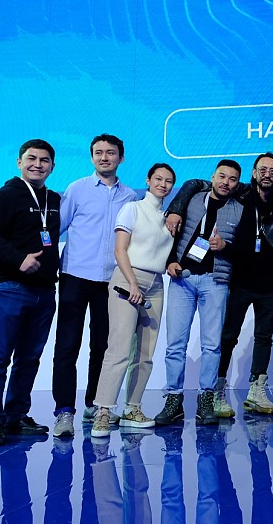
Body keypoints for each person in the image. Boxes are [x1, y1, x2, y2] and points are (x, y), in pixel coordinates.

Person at [0, 139, 61, 446]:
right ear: (19, 162)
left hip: (45, 291)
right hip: (9, 287)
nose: (37, 164)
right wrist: (18, 259)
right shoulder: (5, 196)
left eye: (44, 160)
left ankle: (16, 416)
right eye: (31, 158)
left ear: (52, 166)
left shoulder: (55, 199)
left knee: (29, 358)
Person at [51, 134, 136, 437]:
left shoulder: (131, 197)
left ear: (120, 158)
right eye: (98, 153)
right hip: (74, 276)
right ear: (91, 157)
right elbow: (56, 229)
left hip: (111, 281)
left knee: (102, 347)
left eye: (110, 153)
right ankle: (64, 411)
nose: (104, 158)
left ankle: (94, 405)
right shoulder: (77, 189)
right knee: (67, 346)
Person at [90, 164, 176, 438]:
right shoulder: (132, 208)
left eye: (169, 181)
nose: (163, 184)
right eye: (158, 179)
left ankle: (133, 408)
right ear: (148, 180)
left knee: (146, 353)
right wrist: (132, 283)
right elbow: (120, 250)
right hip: (128, 279)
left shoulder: (168, 218)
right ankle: (103, 412)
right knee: (119, 349)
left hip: (156, 283)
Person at [155, 160, 243, 426]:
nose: (226, 182)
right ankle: (173, 399)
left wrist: (226, 246)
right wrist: (171, 260)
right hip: (182, 278)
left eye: (232, 179)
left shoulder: (240, 209)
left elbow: (245, 250)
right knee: (175, 344)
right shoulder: (193, 199)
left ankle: (206, 399)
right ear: (212, 177)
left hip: (216, 281)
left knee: (212, 345)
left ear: (238, 184)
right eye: (222, 176)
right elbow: (173, 235)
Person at [218, 153, 273, 415]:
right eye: (263, 170)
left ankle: (256, 390)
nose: (267, 175)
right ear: (254, 173)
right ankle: (217, 390)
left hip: (269, 285)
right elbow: (200, 184)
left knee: (264, 337)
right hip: (239, 281)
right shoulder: (238, 198)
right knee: (228, 337)